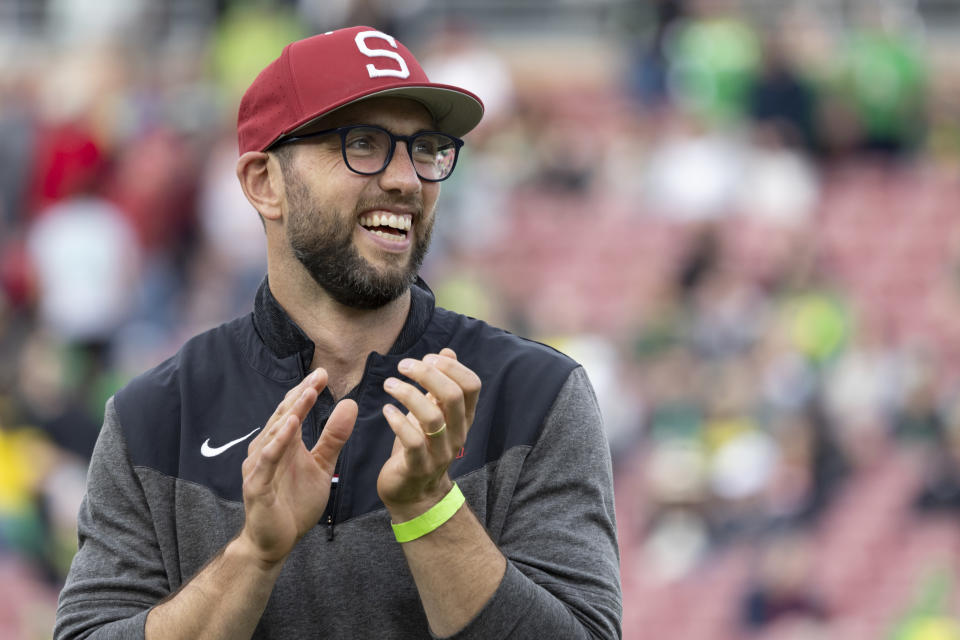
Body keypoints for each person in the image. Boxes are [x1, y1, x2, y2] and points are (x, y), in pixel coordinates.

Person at [54, 25, 622, 639]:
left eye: (425, 148)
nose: (408, 180)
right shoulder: (157, 415)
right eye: (364, 144)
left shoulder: (535, 393)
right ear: (264, 184)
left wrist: (428, 509)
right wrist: (254, 555)